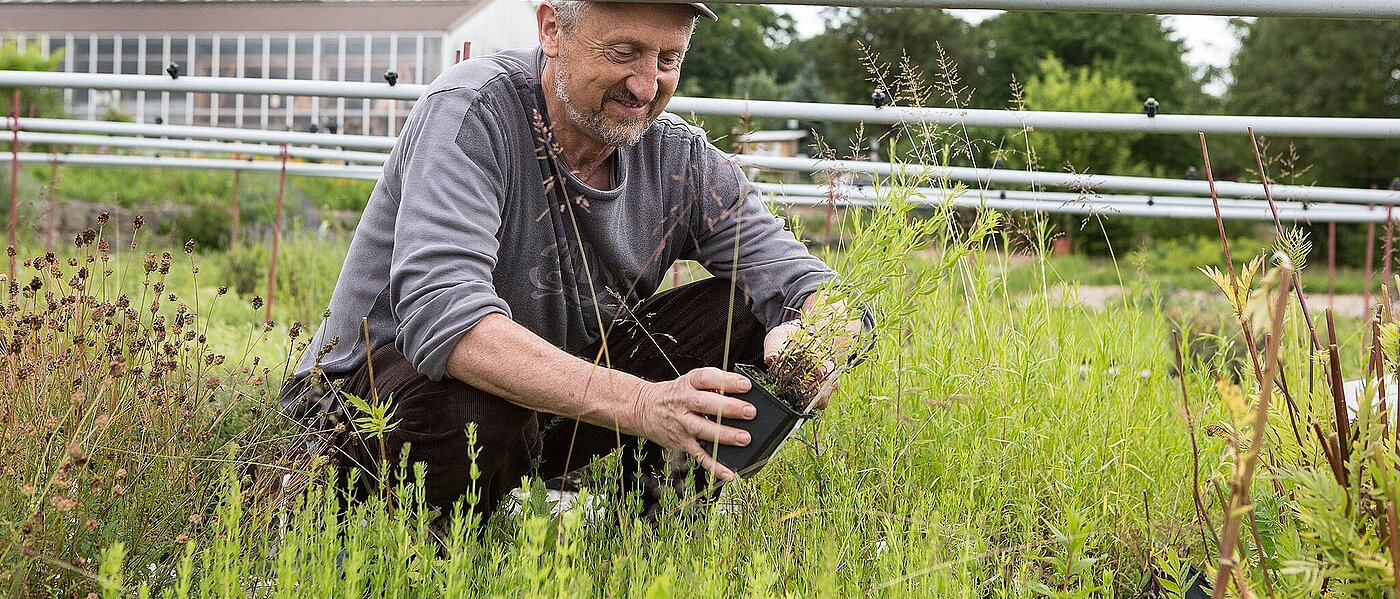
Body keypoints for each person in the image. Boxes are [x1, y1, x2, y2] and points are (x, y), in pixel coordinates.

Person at [281, 0, 855, 521]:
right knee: (475, 399)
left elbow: (809, 283)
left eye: (668, 60)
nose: (645, 85)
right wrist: (644, 404)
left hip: (545, 406)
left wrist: (816, 340)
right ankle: (417, 548)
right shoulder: (474, 112)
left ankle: (651, 527)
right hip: (366, 407)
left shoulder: (678, 159)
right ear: (552, 29)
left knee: (744, 314)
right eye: (623, 52)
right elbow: (445, 318)